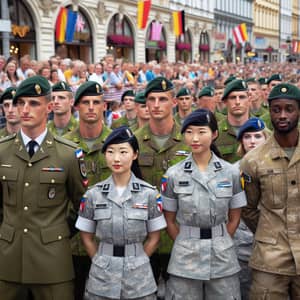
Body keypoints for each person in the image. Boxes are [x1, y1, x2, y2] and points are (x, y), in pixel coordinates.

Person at [0, 75, 87, 300]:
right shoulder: (2, 151)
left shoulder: (68, 153)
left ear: (48, 107)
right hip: (8, 262)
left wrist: (56, 232)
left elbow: (82, 205)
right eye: (21, 103)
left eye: (33, 103)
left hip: (52, 263)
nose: (25, 109)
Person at [162, 109, 246, 300]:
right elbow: (169, 219)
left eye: (201, 131)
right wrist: (186, 242)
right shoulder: (174, 174)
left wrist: (221, 240)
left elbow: (235, 217)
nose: (195, 138)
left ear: (214, 134)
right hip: (185, 258)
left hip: (222, 256)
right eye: (189, 132)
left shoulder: (230, 172)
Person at [75, 126, 167, 299]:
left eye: (123, 152)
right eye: (110, 152)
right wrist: (99, 260)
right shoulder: (93, 194)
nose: (116, 158)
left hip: (139, 278)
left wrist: (139, 259)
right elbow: (86, 237)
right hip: (102, 277)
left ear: (135, 154)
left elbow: (155, 238)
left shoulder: (149, 194)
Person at [240, 83, 300, 299]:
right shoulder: (253, 160)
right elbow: (247, 208)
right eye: (276, 109)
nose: (282, 115)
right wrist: (269, 232)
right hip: (270, 261)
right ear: (270, 112)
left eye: (289, 109)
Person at [134, 77, 191, 298]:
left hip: (180, 235)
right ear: (146, 104)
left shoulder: (189, 139)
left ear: (174, 102)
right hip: (143, 237)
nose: (156, 104)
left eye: (162, 99)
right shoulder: (133, 141)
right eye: (151, 99)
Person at [63, 80, 112, 300]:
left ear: (105, 107)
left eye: (96, 102)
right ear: (76, 106)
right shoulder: (63, 146)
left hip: (109, 242)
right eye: (85, 102)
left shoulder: (119, 143)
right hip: (71, 246)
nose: (91, 107)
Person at [234, 117, 270, 300]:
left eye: (258, 136)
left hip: (273, 244)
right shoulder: (232, 172)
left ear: (267, 139)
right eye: (247, 137)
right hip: (241, 245)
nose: (252, 141)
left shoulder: (282, 169)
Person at [216, 79, 251, 163]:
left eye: (242, 97)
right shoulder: (215, 132)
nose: (237, 102)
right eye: (233, 98)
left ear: (249, 99)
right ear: (225, 101)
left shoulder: (261, 129)